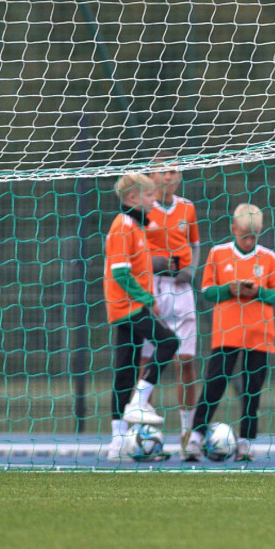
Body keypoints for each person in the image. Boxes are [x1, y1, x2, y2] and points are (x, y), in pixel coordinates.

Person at [183, 203, 275, 463]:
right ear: (233, 229)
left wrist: (258, 292)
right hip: (226, 334)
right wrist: (229, 289)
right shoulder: (218, 253)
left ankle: (245, 443)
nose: (249, 241)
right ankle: (195, 438)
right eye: (244, 236)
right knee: (214, 384)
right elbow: (207, 291)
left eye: (254, 236)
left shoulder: (269, 257)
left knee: (252, 390)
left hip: (259, 335)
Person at [124, 160, 201, 452]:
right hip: (152, 287)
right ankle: (144, 430)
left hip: (181, 289)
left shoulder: (187, 208)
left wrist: (190, 270)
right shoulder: (144, 209)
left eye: (175, 171)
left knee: (186, 360)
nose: (171, 176)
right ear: (153, 176)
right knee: (147, 360)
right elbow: (134, 246)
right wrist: (152, 263)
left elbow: (195, 244)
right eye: (165, 171)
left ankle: (188, 433)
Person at [103, 172, 180, 460]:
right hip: (128, 307)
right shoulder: (123, 226)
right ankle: (139, 400)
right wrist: (148, 299)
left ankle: (117, 443)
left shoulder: (136, 225)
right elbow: (120, 273)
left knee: (125, 370)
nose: (153, 199)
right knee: (169, 342)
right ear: (133, 197)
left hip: (130, 306)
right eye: (148, 195)